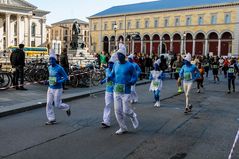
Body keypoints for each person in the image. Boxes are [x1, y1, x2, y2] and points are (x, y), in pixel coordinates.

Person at [108, 46, 139, 135]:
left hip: (126, 91)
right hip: (116, 90)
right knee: (117, 110)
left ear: (124, 55)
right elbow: (113, 74)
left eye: (120, 55)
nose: (118, 56)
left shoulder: (130, 65)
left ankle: (133, 116)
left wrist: (132, 81)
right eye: (117, 54)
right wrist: (109, 77)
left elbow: (135, 76)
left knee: (126, 111)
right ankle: (123, 128)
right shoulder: (115, 64)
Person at [45, 49, 71, 125]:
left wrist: (58, 81)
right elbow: (51, 78)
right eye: (50, 59)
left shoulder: (60, 68)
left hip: (58, 89)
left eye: (52, 59)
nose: (51, 60)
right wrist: (47, 81)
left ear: (55, 60)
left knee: (57, 105)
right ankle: (51, 119)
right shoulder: (49, 67)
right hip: (50, 88)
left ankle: (67, 107)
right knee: (49, 103)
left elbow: (66, 77)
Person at [100, 59, 115, 128]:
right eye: (109, 63)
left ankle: (122, 119)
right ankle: (106, 121)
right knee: (107, 105)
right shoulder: (107, 70)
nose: (109, 65)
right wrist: (103, 81)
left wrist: (111, 78)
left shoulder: (116, 70)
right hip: (108, 90)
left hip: (116, 90)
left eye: (111, 63)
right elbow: (107, 78)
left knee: (119, 107)